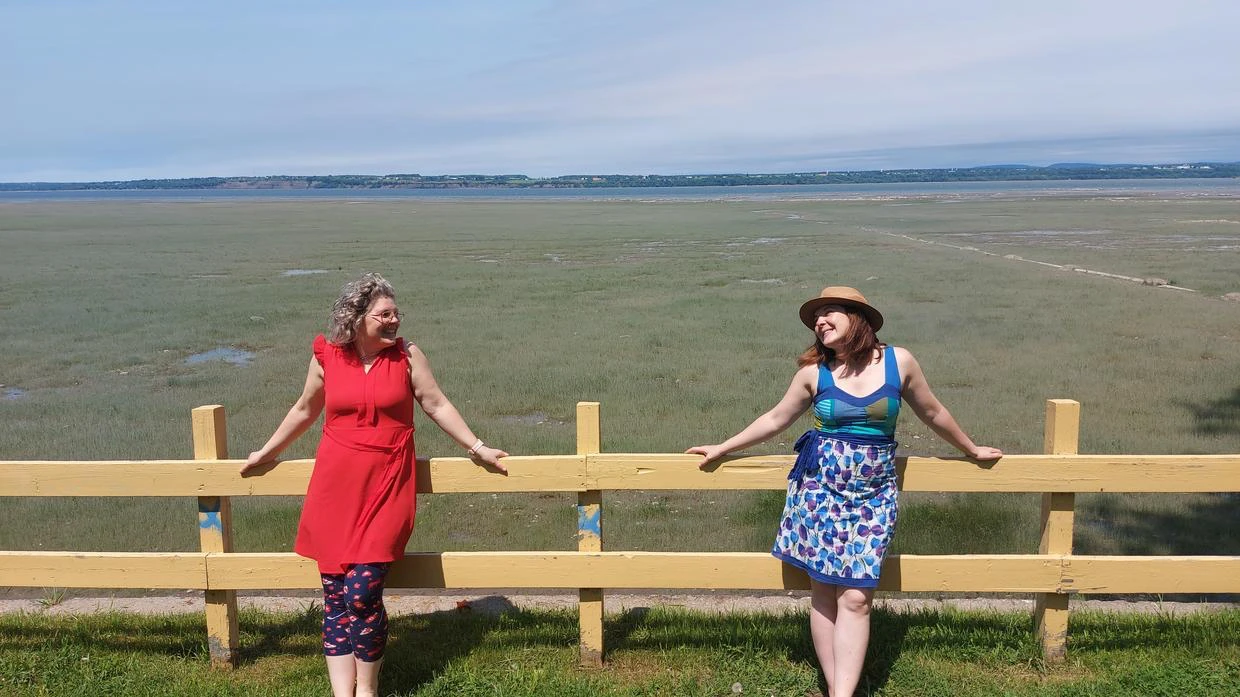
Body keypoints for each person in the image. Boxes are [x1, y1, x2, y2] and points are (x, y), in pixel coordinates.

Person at [686, 286, 1001, 697]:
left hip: (873, 496)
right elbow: (776, 419)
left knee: (856, 596)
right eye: (816, 317)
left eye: (829, 312)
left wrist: (970, 448)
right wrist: (722, 446)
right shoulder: (814, 374)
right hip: (818, 491)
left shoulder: (897, 362)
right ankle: (840, 692)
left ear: (859, 318)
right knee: (823, 589)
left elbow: (933, 411)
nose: (820, 322)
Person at [241, 272, 508, 697]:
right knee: (335, 595)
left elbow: (436, 403)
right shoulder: (326, 355)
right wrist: (266, 452)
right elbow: (305, 409)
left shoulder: (408, 357)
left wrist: (478, 447)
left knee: (362, 592)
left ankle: (367, 689)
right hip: (334, 487)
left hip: (386, 485)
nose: (394, 320)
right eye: (384, 314)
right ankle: (340, 692)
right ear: (357, 317)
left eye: (396, 313)